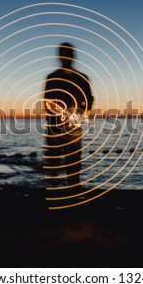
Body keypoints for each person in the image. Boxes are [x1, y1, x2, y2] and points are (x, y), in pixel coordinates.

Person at [43, 43, 94, 186]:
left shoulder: (82, 78)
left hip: (72, 131)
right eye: (65, 54)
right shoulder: (52, 77)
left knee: (73, 168)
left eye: (68, 54)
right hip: (55, 130)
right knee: (53, 168)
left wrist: (82, 115)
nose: (67, 57)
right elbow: (46, 103)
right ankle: (56, 198)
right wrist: (62, 115)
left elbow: (89, 101)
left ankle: (71, 196)